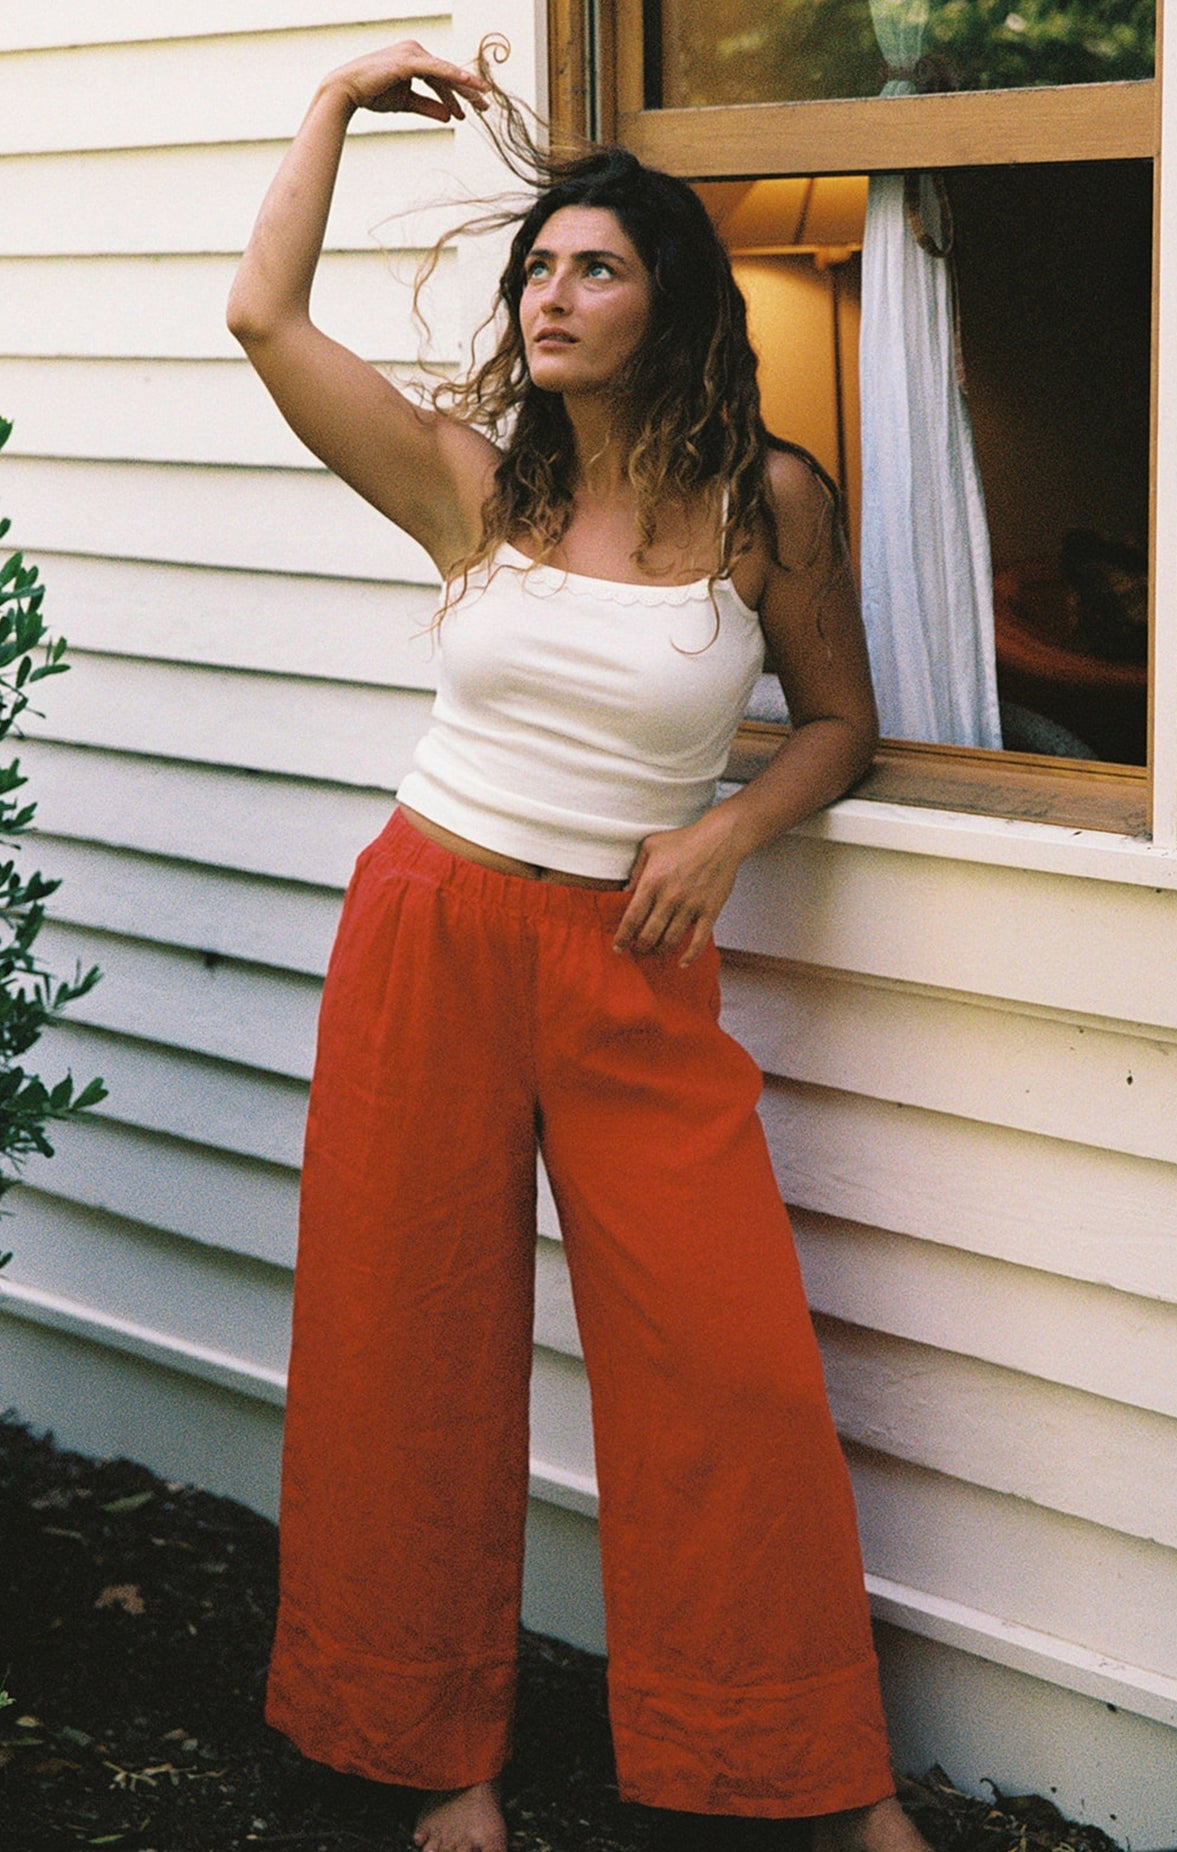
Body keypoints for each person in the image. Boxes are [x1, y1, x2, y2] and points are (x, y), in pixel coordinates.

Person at [227, 38, 932, 1852]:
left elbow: (841, 724)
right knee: (410, 1343)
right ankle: (432, 1761)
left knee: (732, 1363)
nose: (551, 292)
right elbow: (262, 316)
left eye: (594, 266)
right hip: (432, 927)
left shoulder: (768, 503)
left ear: (669, 301)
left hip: (628, 953)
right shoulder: (479, 488)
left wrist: (725, 830)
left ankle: (812, 1775)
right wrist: (328, 107)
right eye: (538, 267)